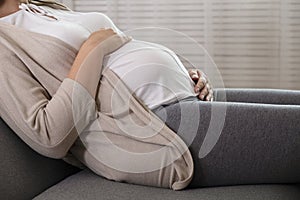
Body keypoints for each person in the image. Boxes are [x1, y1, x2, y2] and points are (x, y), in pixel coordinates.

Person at [0, 0, 299, 190]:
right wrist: (93, 49)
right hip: (153, 123)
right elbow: (47, 135)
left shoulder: (42, 6)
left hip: (184, 99)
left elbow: (119, 51)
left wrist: (186, 70)